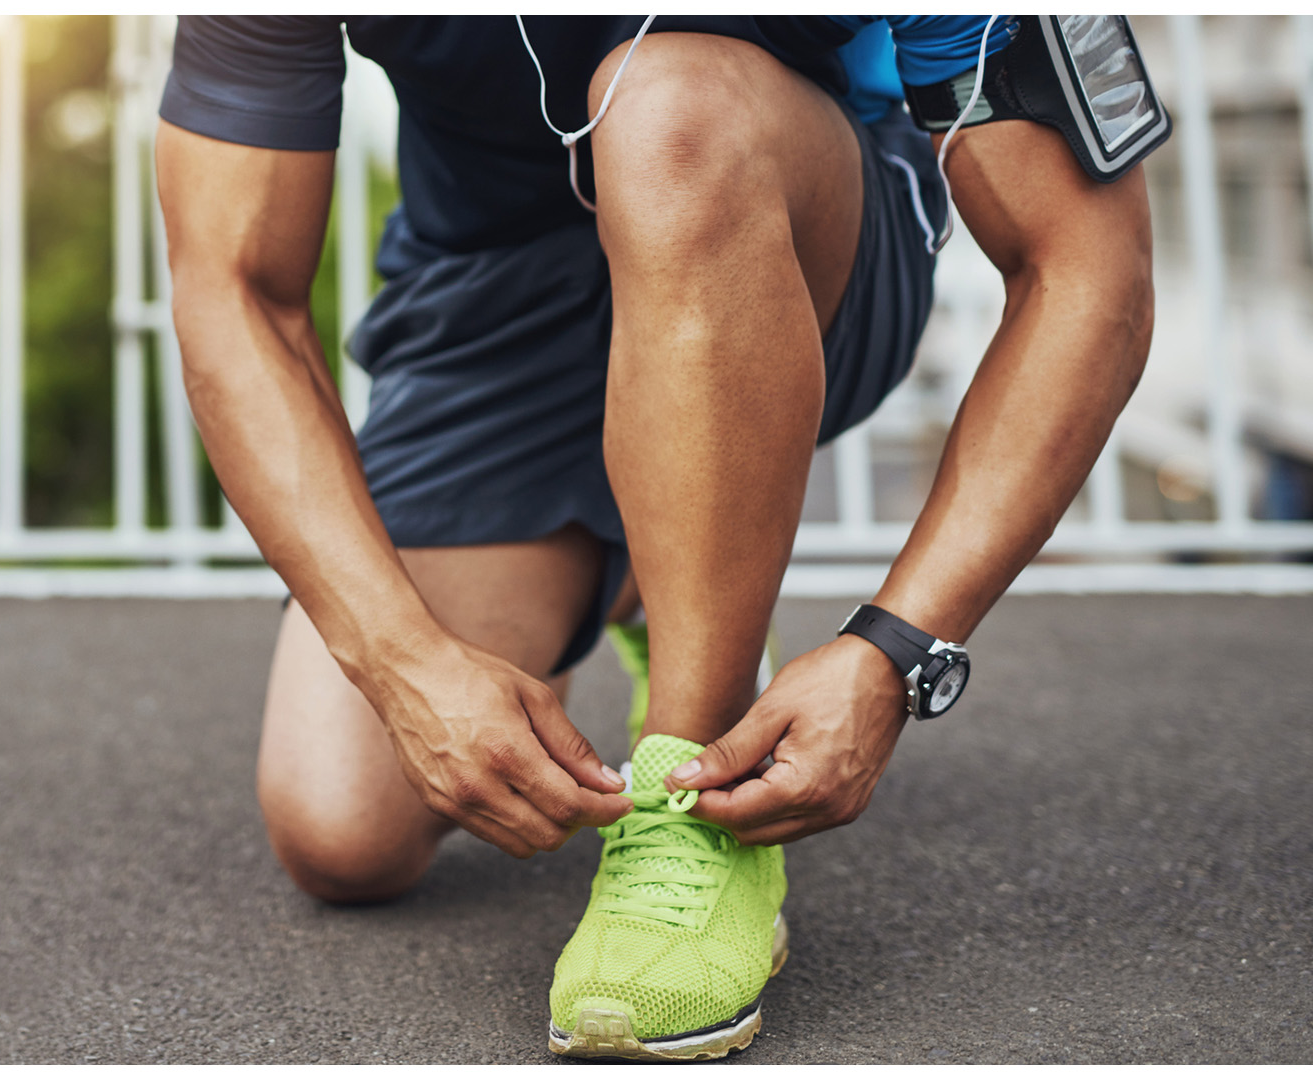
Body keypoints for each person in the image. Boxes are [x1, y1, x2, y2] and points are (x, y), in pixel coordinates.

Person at [155, 15, 1157, 1061]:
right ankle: (655, 574)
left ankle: (694, 789)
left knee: (670, 103)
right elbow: (233, 290)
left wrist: (899, 647)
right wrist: (404, 663)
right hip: (496, 292)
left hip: (792, 210)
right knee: (341, 823)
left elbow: (1087, 270)